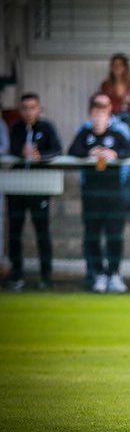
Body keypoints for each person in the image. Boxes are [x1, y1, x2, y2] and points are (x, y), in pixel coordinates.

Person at [69, 94, 130, 292]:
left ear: (109, 115)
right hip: (91, 194)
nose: (99, 118)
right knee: (92, 235)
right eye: (95, 114)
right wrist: (89, 153)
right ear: (91, 115)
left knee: (114, 234)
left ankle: (114, 273)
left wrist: (114, 154)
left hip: (113, 194)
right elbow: (72, 150)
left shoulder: (118, 133)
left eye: (103, 114)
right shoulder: (84, 132)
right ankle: (97, 274)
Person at [5, 93, 62, 290]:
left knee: (42, 231)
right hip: (19, 186)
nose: (29, 111)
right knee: (15, 232)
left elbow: (57, 150)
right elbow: (11, 149)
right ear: (21, 110)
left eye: (32, 107)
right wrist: (21, 152)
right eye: (25, 107)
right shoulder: (16, 129)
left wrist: (41, 155)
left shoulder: (47, 128)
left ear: (39, 109)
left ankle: (46, 275)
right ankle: (16, 273)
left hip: (39, 186)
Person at [96, 53, 130, 117]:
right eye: (114, 65)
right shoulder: (106, 85)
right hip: (112, 115)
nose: (117, 67)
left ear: (125, 68)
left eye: (120, 65)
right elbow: (102, 102)